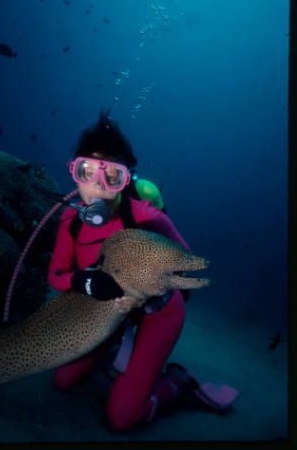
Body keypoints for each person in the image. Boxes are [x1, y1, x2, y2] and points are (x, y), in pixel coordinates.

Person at [48, 111, 238, 431]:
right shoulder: (70, 221)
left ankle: (177, 384)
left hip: (158, 314)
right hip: (109, 316)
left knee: (121, 418)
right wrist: (82, 281)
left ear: (126, 180)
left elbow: (189, 268)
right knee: (62, 380)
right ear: (74, 171)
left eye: (112, 176)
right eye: (87, 171)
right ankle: (114, 351)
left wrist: (141, 292)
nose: (97, 185)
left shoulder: (146, 216)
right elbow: (55, 276)